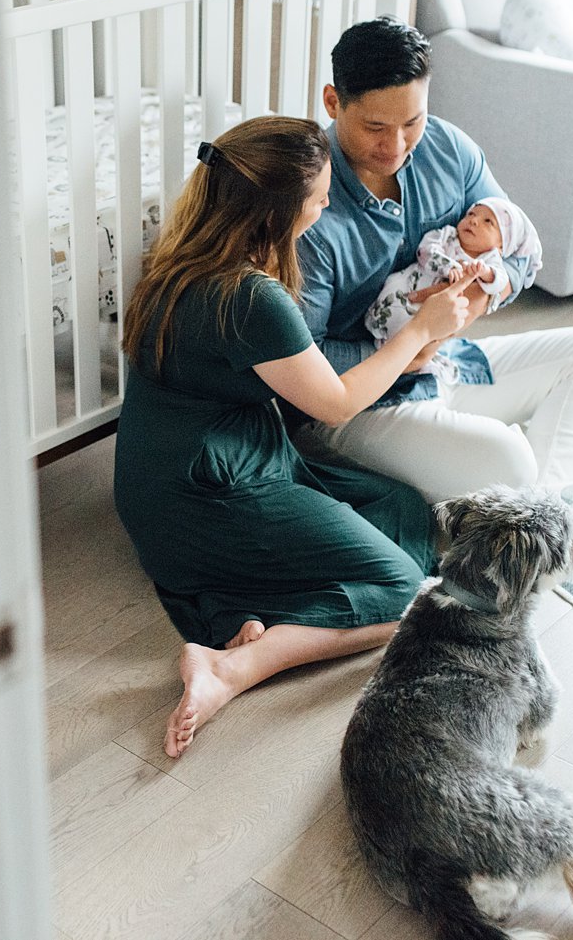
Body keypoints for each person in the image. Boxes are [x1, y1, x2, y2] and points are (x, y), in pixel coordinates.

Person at [113, 116, 475, 759]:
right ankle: (235, 668)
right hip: (207, 491)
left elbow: (296, 375)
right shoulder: (249, 298)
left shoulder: (180, 259)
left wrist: (404, 347)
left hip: (175, 473)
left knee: (400, 508)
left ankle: (250, 613)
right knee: (402, 589)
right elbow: (333, 405)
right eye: (319, 197)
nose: (329, 204)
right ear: (277, 214)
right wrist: (418, 333)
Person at [292, 17, 573, 504]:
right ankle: (523, 514)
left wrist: (466, 306)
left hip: (450, 365)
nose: (398, 146)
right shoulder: (310, 204)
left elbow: (521, 251)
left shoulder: (449, 149)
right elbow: (308, 363)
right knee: (509, 462)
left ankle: (534, 514)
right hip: (361, 406)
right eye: (375, 128)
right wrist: (414, 343)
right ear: (332, 102)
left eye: (413, 122)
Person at [364, 196, 542, 381]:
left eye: (487, 221)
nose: (473, 220)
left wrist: (485, 273)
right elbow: (425, 251)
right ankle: (384, 336)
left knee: (418, 327)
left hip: (429, 311)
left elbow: (499, 281)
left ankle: (398, 352)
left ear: (502, 244)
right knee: (394, 294)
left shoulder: (489, 260)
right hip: (409, 286)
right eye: (471, 214)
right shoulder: (448, 236)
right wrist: (448, 267)